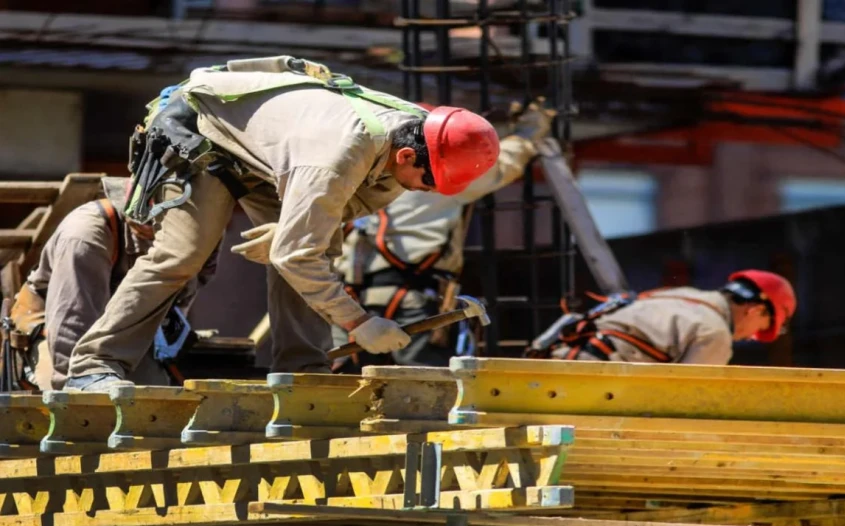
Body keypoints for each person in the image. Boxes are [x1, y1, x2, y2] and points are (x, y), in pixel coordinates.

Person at [63, 55, 500, 391]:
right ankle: (93, 366)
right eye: (427, 182)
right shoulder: (338, 156)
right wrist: (357, 322)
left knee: (317, 248)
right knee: (183, 254)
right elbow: (298, 251)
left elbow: (340, 212)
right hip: (204, 133)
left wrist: (293, 228)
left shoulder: (414, 140)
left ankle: (302, 373)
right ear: (407, 156)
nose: (425, 190)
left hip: (274, 158)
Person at [326, 98, 556, 372]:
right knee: (425, 378)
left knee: (343, 377)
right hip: (413, 297)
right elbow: (503, 164)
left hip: (349, 301)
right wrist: (531, 129)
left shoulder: (363, 168)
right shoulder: (438, 176)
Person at [7, 177, 217, 390]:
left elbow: (190, 286)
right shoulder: (85, 236)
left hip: (124, 328)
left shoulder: (200, 233)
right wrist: (72, 394)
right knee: (71, 399)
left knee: (152, 398)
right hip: (57, 330)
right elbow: (70, 324)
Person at [529, 270, 796, 365]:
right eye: (759, 329)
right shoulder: (714, 333)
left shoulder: (680, 294)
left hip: (559, 358)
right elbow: (684, 400)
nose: (749, 337)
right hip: (587, 381)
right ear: (756, 310)